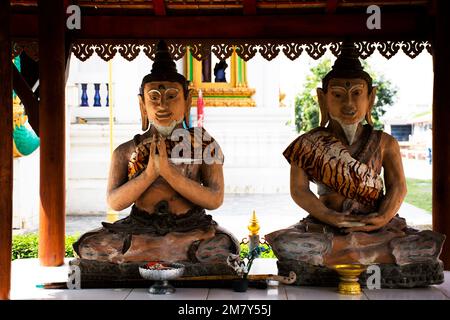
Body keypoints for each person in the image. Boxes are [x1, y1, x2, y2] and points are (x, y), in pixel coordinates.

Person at [265, 42, 445, 287]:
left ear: (371, 98)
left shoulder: (385, 143)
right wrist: (329, 216)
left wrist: (382, 218)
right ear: (323, 99)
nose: (348, 103)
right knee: (287, 242)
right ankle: (367, 257)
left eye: (357, 94)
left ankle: (344, 257)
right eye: (338, 95)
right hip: (326, 227)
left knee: (426, 242)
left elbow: (398, 188)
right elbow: (299, 190)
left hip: (375, 227)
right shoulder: (308, 144)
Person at [73, 41, 239, 269]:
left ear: (187, 101)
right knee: (90, 245)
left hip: (189, 228)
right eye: (154, 97)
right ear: (142, 105)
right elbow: (115, 202)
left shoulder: (205, 144)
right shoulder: (125, 151)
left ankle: (141, 257)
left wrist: (170, 174)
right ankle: (166, 253)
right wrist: (150, 173)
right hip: (140, 227)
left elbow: (215, 199)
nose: (162, 105)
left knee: (224, 246)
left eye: (172, 96)